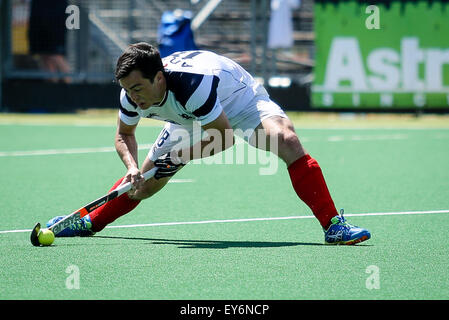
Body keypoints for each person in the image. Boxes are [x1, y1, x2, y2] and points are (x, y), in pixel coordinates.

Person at [47, 43, 371, 245]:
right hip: (184, 116)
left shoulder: (192, 85)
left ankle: (333, 226)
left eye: (137, 88)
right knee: (142, 187)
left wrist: (180, 156)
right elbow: (124, 135)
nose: (133, 97)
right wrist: (133, 168)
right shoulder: (131, 94)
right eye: (127, 90)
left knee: (287, 140)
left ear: (158, 78)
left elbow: (224, 136)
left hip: (239, 100)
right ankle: (88, 223)